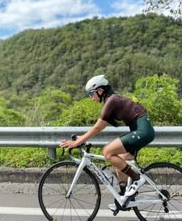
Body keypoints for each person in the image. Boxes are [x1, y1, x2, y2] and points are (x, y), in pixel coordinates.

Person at [60, 74, 155, 207]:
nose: (91, 97)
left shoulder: (112, 100)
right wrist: (81, 138)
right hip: (140, 131)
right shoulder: (111, 100)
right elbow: (100, 126)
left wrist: (76, 142)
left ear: (100, 90)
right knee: (120, 159)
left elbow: (98, 127)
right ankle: (124, 197)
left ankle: (137, 179)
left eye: (91, 94)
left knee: (108, 152)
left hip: (142, 132)